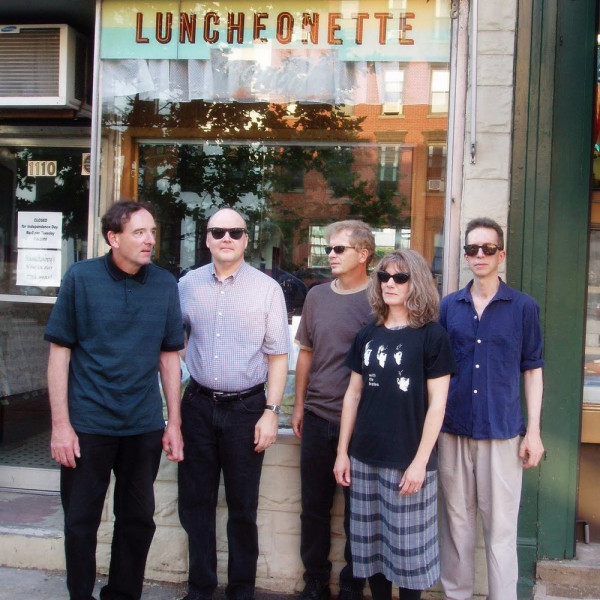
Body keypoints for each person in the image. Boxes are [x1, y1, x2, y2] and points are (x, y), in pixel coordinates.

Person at [44, 200, 185, 600]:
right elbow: (59, 354)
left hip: (141, 425)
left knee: (138, 519)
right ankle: (80, 596)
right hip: (87, 424)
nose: (150, 240)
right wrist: (60, 425)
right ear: (113, 237)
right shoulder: (81, 279)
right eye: (139, 232)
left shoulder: (164, 284)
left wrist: (173, 422)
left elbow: (169, 357)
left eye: (152, 232)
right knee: (81, 521)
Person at [177, 207, 289, 600]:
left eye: (235, 232)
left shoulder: (266, 289)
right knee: (196, 504)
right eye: (218, 231)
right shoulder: (186, 286)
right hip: (197, 407)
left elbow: (278, 356)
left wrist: (271, 413)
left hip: (247, 409)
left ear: (246, 240)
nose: (227, 238)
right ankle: (200, 588)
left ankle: (241, 589)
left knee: (243, 507)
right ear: (206, 239)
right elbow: (174, 349)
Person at [334, 249, 455, 600]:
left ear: (415, 282)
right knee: (372, 554)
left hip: (408, 461)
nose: (390, 283)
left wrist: (420, 462)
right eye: (384, 276)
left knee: (409, 559)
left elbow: (438, 405)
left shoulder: (432, 336)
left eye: (399, 277)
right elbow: (352, 395)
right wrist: (343, 453)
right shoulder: (367, 334)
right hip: (364, 457)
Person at [438, 217, 545, 600]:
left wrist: (532, 431)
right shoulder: (449, 306)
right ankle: (456, 595)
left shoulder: (523, 307)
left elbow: (532, 371)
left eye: (487, 248)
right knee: (456, 527)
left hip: (502, 433)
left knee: (500, 531)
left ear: (501, 254)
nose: (479, 255)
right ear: (465, 255)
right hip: (453, 430)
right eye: (471, 249)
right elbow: (436, 374)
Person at [292, 220, 375, 600]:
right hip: (318, 416)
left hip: (362, 424)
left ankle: (352, 585)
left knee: (361, 514)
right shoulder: (316, 296)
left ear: (364, 253)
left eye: (339, 249)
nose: (331, 255)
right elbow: (306, 352)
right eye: (329, 249)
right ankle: (314, 581)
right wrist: (298, 403)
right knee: (314, 507)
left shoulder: (382, 296)